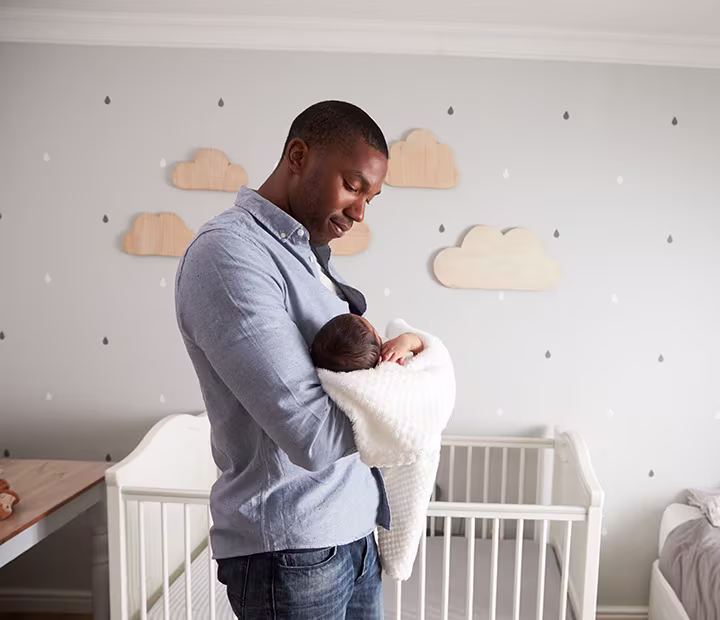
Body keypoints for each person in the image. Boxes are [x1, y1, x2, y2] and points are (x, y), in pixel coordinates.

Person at [175, 101, 390, 619]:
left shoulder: (306, 258)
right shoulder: (229, 255)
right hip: (294, 551)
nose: (361, 212)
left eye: (372, 197)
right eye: (353, 186)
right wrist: (407, 403)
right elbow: (312, 438)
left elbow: (348, 382)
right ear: (298, 155)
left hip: (354, 531)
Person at [311, 313, 425, 372]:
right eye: (376, 333)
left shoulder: (393, 349)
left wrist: (404, 343)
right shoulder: (389, 352)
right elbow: (425, 350)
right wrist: (407, 341)